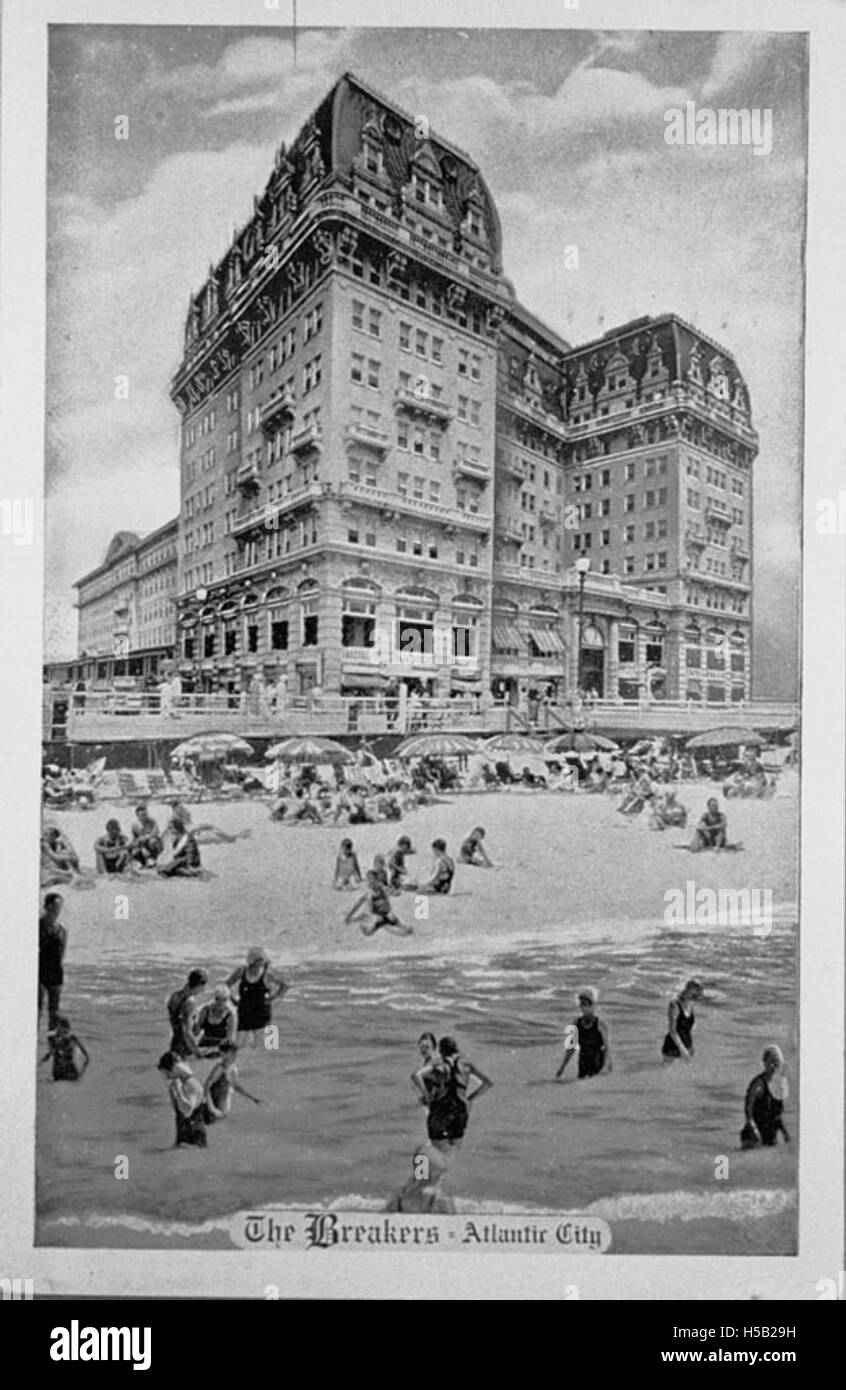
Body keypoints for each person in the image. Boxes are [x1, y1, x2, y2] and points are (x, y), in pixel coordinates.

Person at [426, 1036, 492, 1158]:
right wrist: (470, 1099)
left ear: (441, 1051)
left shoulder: (439, 1065)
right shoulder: (467, 1064)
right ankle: (444, 1173)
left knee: (435, 1148)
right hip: (460, 1109)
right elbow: (488, 1083)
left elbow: (419, 1078)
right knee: (452, 1150)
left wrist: (428, 1098)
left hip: (441, 1109)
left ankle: (425, 1174)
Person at [226, 948, 288, 1047]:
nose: (258, 967)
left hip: (262, 1013)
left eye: (261, 964)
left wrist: (274, 997)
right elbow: (227, 984)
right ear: (251, 963)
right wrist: (232, 999)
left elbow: (284, 986)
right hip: (244, 1011)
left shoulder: (268, 974)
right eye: (256, 964)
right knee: (238, 1045)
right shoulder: (242, 971)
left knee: (266, 1045)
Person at [556, 987, 612, 1080]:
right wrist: (562, 1067)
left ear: (592, 1006)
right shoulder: (575, 1024)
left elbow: (607, 1048)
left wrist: (606, 1066)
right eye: (581, 1004)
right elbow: (570, 1048)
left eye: (585, 1004)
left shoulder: (601, 1024)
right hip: (583, 1062)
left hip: (598, 1062)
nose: (583, 1007)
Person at [741, 1046, 790, 1147]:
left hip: (771, 1135)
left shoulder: (780, 1084)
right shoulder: (758, 1084)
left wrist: (785, 1133)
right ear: (764, 1062)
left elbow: (778, 1115)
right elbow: (748, 1107)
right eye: (771, 1062)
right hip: (755, 1135)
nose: (774, 1066)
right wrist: (752, 1127)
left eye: (777, 1062)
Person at [202, 1043, 262, 1123]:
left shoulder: (232, 1068)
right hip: (215, 1110)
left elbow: (235, 1086)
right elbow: (206, 1086)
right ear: (223, 1054)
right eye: (232, 1053)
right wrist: (212, 1108)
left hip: (221, 1110)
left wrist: (252, 1098)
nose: (235, 1056)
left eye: (235, 1053)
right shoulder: (220, 1069)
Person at [157, 1051, 207, 1148]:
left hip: (194, 1142)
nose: (167, 1078)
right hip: (185, 1141)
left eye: (167, 1074)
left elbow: (187, 1110)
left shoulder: (191, 1084)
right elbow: (176, 1109)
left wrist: (177, 1090)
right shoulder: (182, 1082)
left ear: (174, 1068)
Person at [345, 869, 412, 937]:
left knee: (390, 919)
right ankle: (371, 929)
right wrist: (349, 915)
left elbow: (393, 892)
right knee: (381, 921)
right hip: (379, 913)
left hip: (386, 912)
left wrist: (397, 891)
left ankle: (403, 927)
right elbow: (358, 904)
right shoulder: (368, 892)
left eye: (373, 879)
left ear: (377, 879)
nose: (371, 881)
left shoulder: (382, 887)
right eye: (369, 879)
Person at [39, 893, 68, 1028]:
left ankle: (53, 1044)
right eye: (54, 907)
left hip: (55, 973)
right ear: (47, 907)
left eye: (58, 907)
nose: (56, 911)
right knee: (37, 1010)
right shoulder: (37, 927)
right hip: (39, 972)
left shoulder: (61, 930)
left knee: (54, 1012)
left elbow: (61, 953)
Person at [167, 969, 209, 1059]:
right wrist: (197, 1052)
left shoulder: (174, 996)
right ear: (199, 985)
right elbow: (187, 1032)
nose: (203, 990)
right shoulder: (190, 1003)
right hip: (186, 1048)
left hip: (175, 1043)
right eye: (204, 987)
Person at [661, 980, 704, 1062]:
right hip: (673, 1045)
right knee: (664, 1071)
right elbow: (672, 1031)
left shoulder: (691, 1003)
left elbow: (687, 1026)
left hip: (687, 1044)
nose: (698, 999)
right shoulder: (674, 1005)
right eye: (697, 995)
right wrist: (683, 1050)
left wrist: (690, 1046)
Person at [40, 1014, 90, 1081]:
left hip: (68, 1068)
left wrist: (83, 1069)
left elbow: (86, 1055)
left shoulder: (72, 1038)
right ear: (58, 1029)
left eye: (66, 1031)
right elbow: (50, 1053)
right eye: (63, 1031)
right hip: (60, 1070)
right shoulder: (53, 1039)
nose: (65, 1032)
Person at [196, 984, 238, 1052]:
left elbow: (230, 1038)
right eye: (218, 999)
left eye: (224, 1000)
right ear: (214, 998)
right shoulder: (206, 1010)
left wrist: (214, 1049)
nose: (220, 1002)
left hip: (221, 1046)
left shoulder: (230, 1014)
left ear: (228, 1000)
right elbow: (196, 1031)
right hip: (205, 1043)